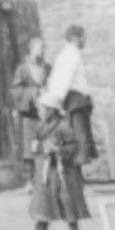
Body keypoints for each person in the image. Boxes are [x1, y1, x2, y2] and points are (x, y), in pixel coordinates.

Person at [29, 92, 92, 230]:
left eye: (42, 109)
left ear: (51, 110)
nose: (39, 112)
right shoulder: (41, 127)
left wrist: (59, 150)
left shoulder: (63, 126)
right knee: (42, 206)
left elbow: (74, 146)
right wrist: (38, 148)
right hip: (44, 173)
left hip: (61, 172)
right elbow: (36, 145)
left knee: (67, 204)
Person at [45, 24, 97, 162]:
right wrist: (56, 102)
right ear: (75, 38)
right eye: (83, 37)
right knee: (79, 135)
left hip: (80, 100)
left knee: (82, 135)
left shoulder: (72, 54)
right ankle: (79, 164)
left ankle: (81, 163)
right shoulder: (70, 56)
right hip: (75, 101)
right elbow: (62, 81)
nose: (85, 41)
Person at [8, 35, 50, 178]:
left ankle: (45, 177)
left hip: (45, 113)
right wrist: (33, 92)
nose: (43, 51)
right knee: (30, 146)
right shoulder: (23, 69)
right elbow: (16, 90)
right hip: (30, 113)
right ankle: (30, 179)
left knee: (45, 144)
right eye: (40, 47)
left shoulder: (47, 67)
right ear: (32, 49)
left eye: (44, 48)